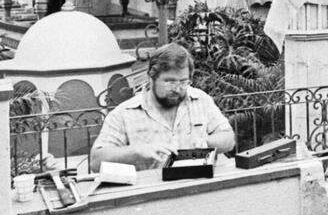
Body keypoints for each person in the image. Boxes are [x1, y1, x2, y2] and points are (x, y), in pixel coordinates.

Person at [89, 43, 235, 171]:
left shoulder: (200, 100)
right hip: (152, 193)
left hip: (198, 186)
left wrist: (205, 143)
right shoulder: (124, 113)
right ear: (151, 77)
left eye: (183, 82)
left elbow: (228, 139)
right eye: (170, 82)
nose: (177, 89)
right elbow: (96, 161)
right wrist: (137, 152)